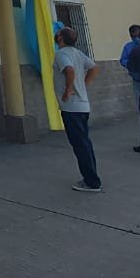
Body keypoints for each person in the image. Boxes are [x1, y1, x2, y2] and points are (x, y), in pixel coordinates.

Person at [53, 26, 101, 191]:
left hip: (72, 107)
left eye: (58, 33)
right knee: (85, 143)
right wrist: (84, 85)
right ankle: (91, 177)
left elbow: (70, 70)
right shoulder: (78, 53)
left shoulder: (62, 54)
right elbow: (94, 68)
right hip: (83, 106)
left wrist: (68, 89)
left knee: (80, 144)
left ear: (61, 38)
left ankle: (91, 181)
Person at [119, 23, 140, 107]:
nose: (136, 37)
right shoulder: (128, 46)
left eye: (137, 34)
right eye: (133, 35)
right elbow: (123, 60)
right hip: (137, 80)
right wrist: (131, 64)